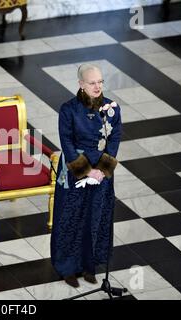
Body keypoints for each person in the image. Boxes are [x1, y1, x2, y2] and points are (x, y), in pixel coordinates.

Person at [51, 64, 122, 288]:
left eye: (100, 81)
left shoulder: (112, 108)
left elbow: (115, 138)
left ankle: (89, 266)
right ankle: (67, 268)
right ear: (81, 84)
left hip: (101, 171)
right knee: (70, 218)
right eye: (92, 82)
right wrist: (86, 171)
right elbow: (67, 143)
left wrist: (101, 171)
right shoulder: (68, 109)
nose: (97, 86)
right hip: (76, 171)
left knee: (96, 217)